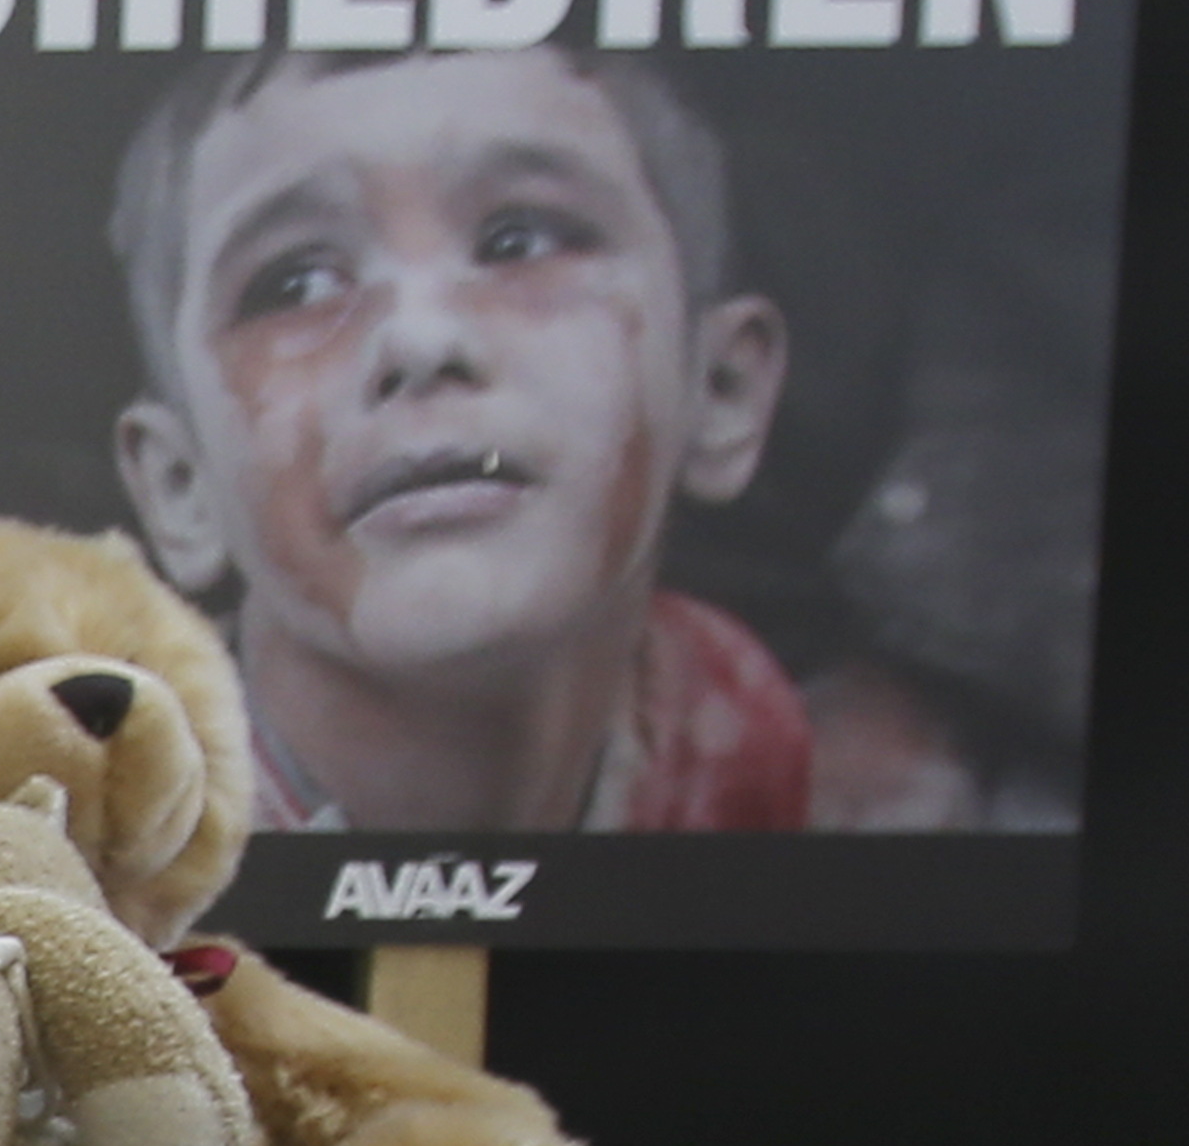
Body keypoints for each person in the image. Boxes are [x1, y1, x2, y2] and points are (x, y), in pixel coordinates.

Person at [107, 45, 808, 833]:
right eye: (295, 285)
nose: (421, 340)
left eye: (521, 242)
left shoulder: (723, 712)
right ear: (181, 487)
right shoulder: (111, 834)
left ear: (721, 391)